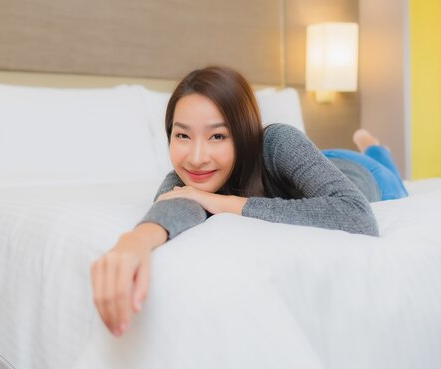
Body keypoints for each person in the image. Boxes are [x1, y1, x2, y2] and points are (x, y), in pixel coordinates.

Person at [90, 66, 407, 338]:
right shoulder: (187, 175)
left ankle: (376, 150)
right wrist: (134, 242)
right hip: (317, 164)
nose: (197, 158)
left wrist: (224, 203)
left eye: (217, 136)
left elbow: (356, 216)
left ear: (244, 134)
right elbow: (174, 205)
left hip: (366, 176)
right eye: (182, 136)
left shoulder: (278, 141)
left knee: (385, 169)